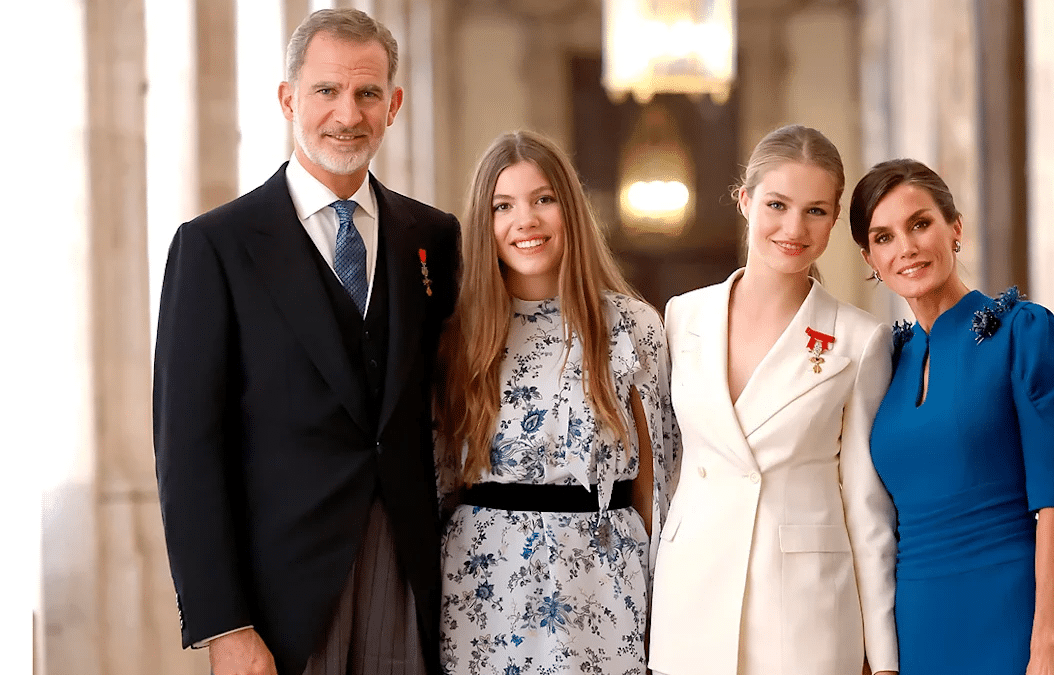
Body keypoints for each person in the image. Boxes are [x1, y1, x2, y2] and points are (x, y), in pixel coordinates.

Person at [153, 9, 459, 675]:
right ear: (288, 99)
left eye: (367, 93)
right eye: (326, 91)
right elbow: (187, 452)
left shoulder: (435, 238)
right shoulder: (215, 248)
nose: (347, 113)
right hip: (279, 597)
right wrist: (223, 624)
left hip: (407, 577)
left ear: (394, 105)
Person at [647, 125, 899, 675]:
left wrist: (883, 658)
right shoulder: (681, 318)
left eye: (814, 211)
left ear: (835, 219)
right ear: (745, 201)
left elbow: (866, 503)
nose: (793, 228)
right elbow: (665, 471)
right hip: (691, 599)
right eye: (777, 204)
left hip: (803, 610)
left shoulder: (859, 340)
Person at [435, 130, 679, 675]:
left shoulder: (631, 328)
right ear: (484, 223)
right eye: (504, 205)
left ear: (570, 210)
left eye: (543, 199)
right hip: (481, 587)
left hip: (602, 582)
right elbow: (439, 480)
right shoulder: (457, 336)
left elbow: (657, 485)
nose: (526, 221)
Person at [850, 158, 1054, 674]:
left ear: (955, 227)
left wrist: (1045, 645)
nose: (907, 248)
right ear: (870, 257)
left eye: (920, 224)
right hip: (917, 634)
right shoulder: (886, 360)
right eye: (884, 237)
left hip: (1014, 627)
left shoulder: (1023, 333)